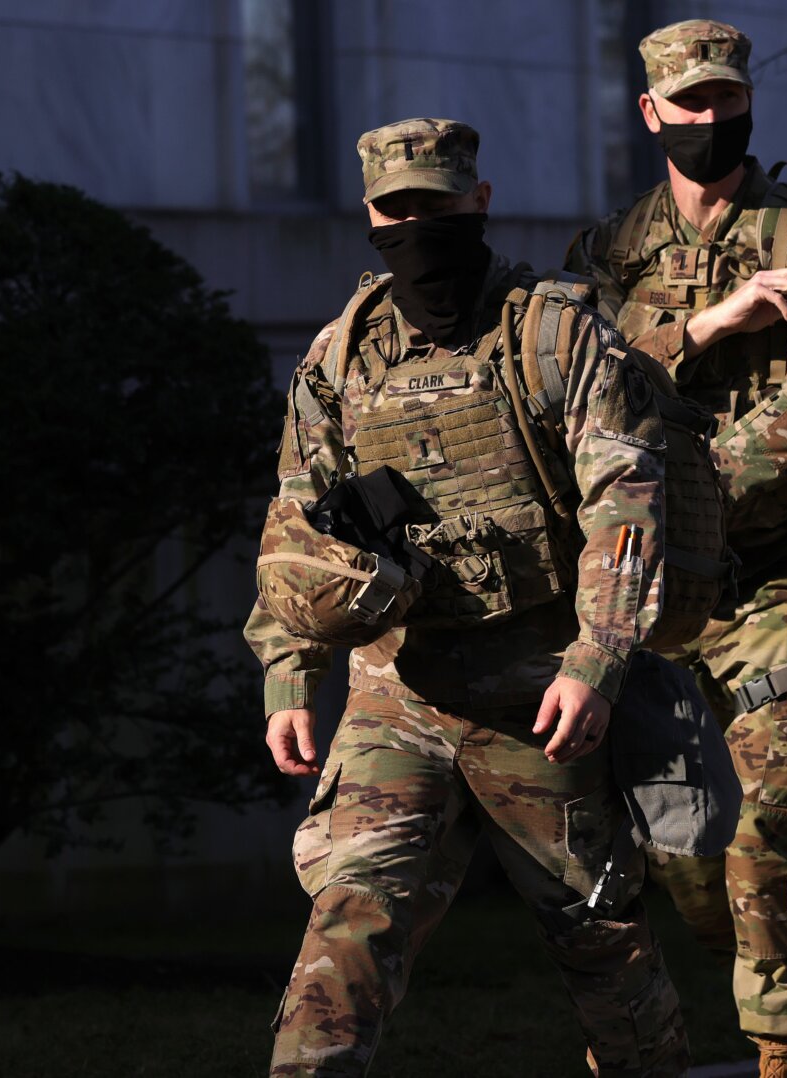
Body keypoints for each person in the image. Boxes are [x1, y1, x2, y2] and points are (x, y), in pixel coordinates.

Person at [247, 117, 688, 1077]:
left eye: (436, 205)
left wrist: (598, 659)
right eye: (395, 210)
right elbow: (298, 524)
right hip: (396, 696)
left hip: (541, 698)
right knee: (349, 920)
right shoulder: (341, 355)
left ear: (479, 201)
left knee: (600, 943)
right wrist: (290, 671)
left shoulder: (555, 333)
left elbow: (627, 498)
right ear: (371, 217)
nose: (415, 226)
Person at [565, 19, 787, 1076]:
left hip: (770, 581)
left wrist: (689, 487)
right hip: (645, 595)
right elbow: (582, 394)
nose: (710, 117)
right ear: (650, 111)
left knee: (763, 835)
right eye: (689, 101)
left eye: (726, 99)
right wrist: (704, 328)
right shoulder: (607, 253)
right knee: (674, 854)